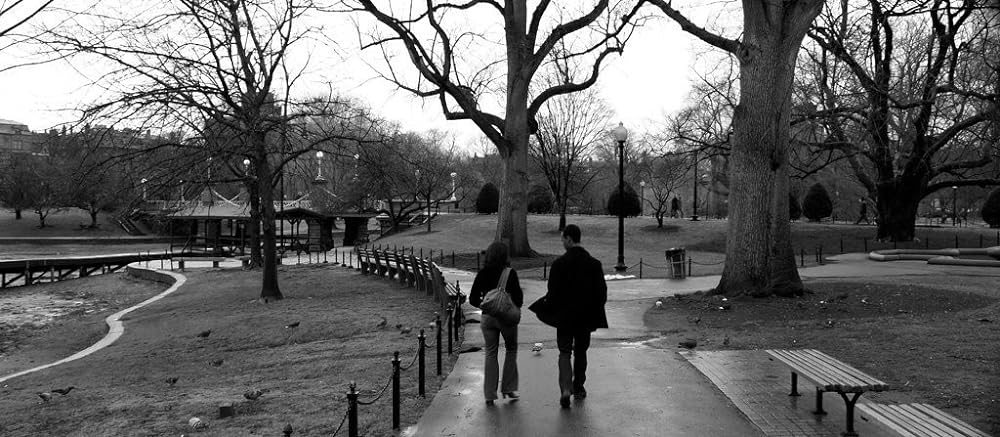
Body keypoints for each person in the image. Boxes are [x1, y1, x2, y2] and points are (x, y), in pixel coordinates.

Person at [543, 224, 608, 408]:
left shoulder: (559, 264)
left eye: (563, 239)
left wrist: (551, 308)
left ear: (569, 239)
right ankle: (578, 387)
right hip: (585, 317)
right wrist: (594, 309)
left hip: (564, 316)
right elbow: (601, 293)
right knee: (581, 351)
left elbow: (552, 292)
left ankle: (565, 388)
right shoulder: (594, 264)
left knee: (564, 352)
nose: (562, 242)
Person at [469, 241, 523, 405]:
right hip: (506, 319)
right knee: (511, 349)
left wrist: (487, 306)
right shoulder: (510, 273)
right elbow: (519, 299)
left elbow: (472, 299)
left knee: (491, 352)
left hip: (487, 318)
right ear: (505, 256)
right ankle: (508, 388)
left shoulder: (482, 273)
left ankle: (489, 394)